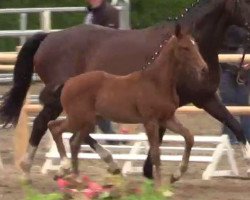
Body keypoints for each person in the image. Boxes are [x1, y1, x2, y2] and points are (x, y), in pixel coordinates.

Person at [84, 0, 119, 143]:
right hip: (88, 60)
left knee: (98, 98)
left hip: (102, 63)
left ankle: (107, 135)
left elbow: (110, 38)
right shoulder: (90, 12)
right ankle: (104, 134)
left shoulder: (110, 12)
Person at [219, 25, 250, 144]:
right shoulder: (225, 27)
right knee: (228, 101)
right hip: (226, 68)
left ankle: (246, 135)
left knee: (242, 102)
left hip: (243, 70)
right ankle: (228, 136)